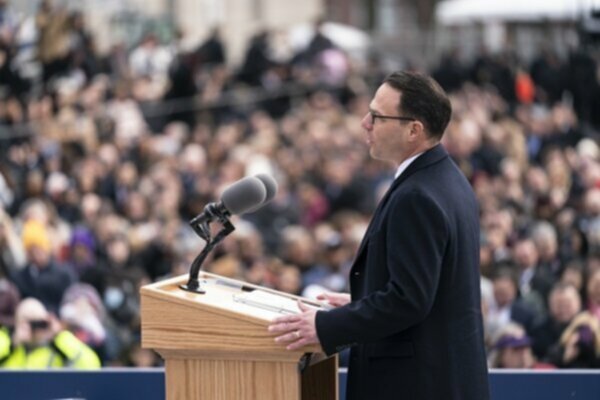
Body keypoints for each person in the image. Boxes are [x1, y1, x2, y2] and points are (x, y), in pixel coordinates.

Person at [269, 71, 489, 399]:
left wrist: (325, 326)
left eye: (377, 116)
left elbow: (409, 299)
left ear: (414, 129)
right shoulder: (447, 178)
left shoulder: (418, 195)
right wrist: (362, 300)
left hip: (416, 384)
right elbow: (430, 287)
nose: (364, 123)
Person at [0, 297, 100, 368]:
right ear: (16, 322)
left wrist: (59, 335)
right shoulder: (5, 339)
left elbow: (92, 364)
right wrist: (12, 344)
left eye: (37, 322)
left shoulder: (58, 347)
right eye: (26, 322)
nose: (32, 328)